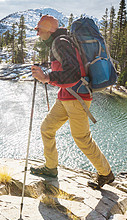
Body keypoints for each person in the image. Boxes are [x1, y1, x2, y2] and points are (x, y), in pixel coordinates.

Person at [30, 15, 114, 189]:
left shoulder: (60, 42)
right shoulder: (61, 41)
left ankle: (106, 173)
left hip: (76, 98)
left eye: (39, 29)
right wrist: (47, 69)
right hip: (66, 96)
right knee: (47, 128)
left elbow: (74, 73)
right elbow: (68, 65)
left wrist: (47, 77)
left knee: (82, 138)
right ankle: (51, 168)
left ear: (49, 29)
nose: (38, 33)